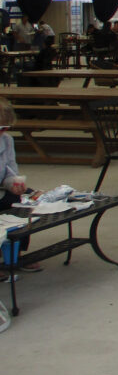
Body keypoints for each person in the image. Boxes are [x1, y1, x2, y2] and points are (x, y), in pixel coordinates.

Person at [0, 98, 42, 275]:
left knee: (25, 200)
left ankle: (17, 252)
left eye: (5, 128)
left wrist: (15, 184)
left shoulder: (7, 141)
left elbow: (10, 170)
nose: (3, 132)